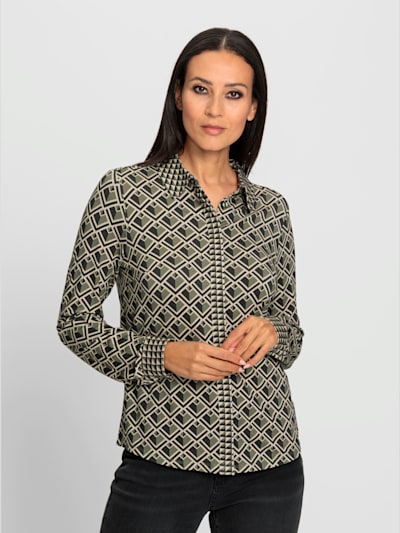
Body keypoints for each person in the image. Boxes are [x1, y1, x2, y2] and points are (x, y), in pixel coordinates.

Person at [57, 27, 305, 533]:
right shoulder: (123, 194)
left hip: (269, 460)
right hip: (161, 456)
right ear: (177, 95)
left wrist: (274, 332)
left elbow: (293, 336)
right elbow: (75, 323)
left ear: (252, 108)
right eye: (200, 89)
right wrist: (162, 355)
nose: (214, 109)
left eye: (233, 94)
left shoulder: (271, 210)